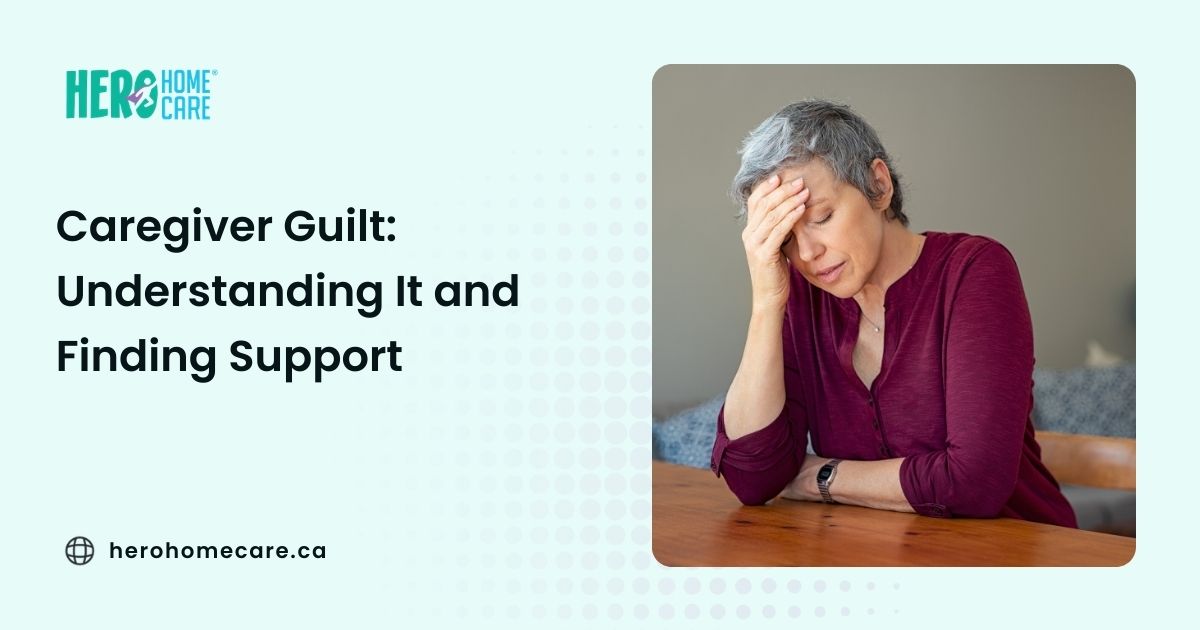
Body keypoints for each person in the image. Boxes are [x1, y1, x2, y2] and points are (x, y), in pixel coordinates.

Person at [711, 100, 1077, 527]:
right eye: (785, 240)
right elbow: (752, 480)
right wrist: (766, 305)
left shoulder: (975, 271)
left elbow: (975, 481)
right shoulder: (800, 298)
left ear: (878, 185)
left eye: (822, 217)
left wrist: (817, 476)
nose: (808, 254)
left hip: (1017, 555)